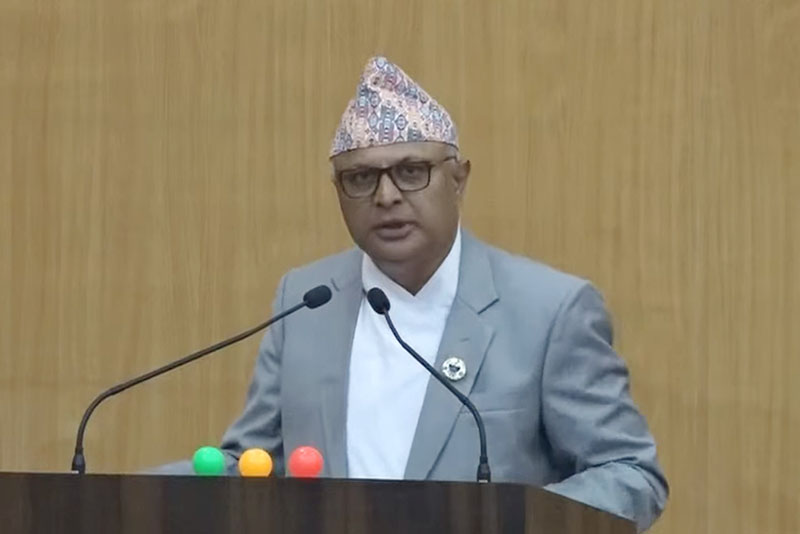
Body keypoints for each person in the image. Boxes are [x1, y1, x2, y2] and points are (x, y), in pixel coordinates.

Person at [156, 56, 668, 532]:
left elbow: (630, 473)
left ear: (458, 179)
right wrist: (139, 493)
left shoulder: (550, 311)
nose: (386, 196)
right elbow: (253, 465)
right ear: (338, 192)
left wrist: (515, 520)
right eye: (361, 178)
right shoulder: (307, 300)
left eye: (410, 172)